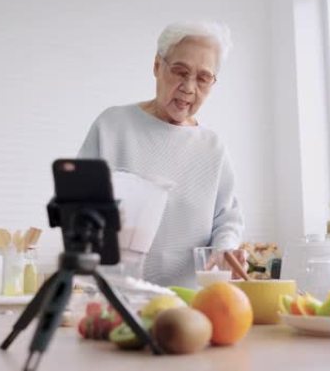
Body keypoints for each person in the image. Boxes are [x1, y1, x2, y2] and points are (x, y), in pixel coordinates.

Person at [78, 21, 244, 287]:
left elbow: (227, 218)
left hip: (189, 303)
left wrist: (225, 248)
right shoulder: (112, 126)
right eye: (180, 71)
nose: (189, 88)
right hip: (115, 297)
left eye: (203, 78)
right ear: (157, 66)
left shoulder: (213, 147)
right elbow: (78, 205)